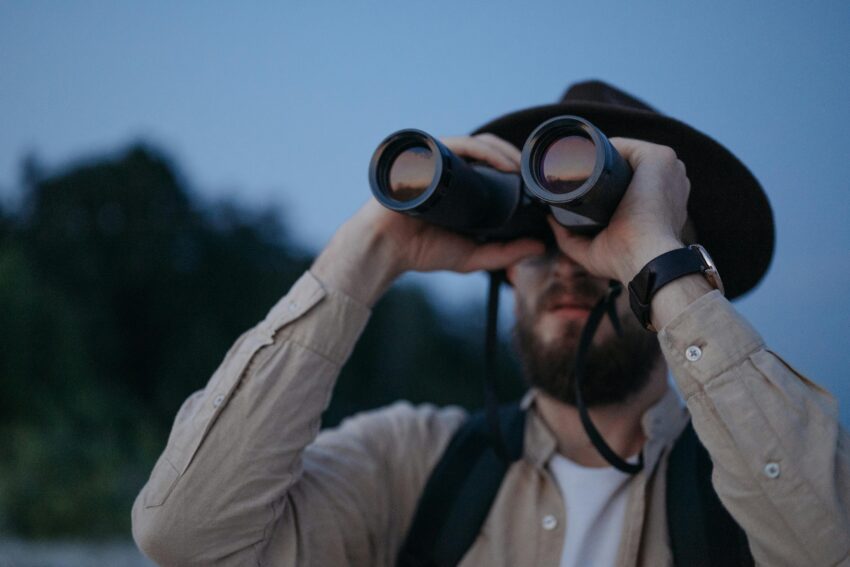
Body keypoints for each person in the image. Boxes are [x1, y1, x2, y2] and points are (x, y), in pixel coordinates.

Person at [132, 81, 849, 566]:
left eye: (607, 228)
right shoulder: (416, 465)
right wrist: (373, 246)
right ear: (504, 267)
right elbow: (186, 533)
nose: (567, 263)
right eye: (539, 234)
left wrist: (660, 263)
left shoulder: (746, 486)